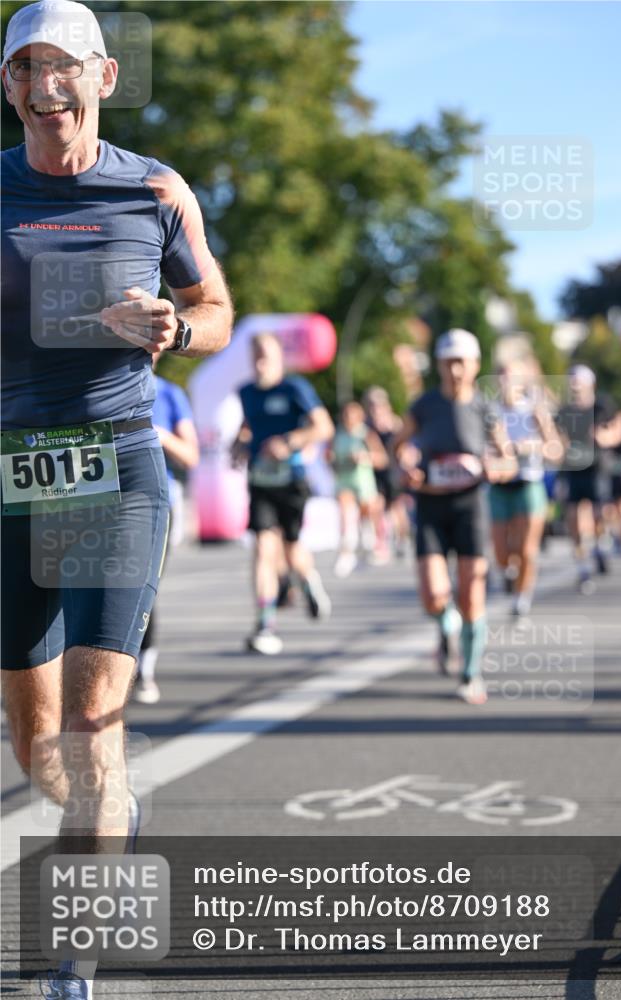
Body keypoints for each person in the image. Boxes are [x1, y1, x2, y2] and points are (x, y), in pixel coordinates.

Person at [0, 2, 232, 996]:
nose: (48, 86)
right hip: (14, 473)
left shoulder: (155, 189)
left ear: (102, 77)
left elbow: (219, 309)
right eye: (28, 69)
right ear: (9, 87)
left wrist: (175, 326)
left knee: (96, 716)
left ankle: (74, 956)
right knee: (35, 737)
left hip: (119, 465)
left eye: (68, 67)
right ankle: (109, 808)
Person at [393, 329, 517, 705]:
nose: (456, 370)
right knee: (433, 595)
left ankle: (470, 673)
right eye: (449, 362)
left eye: (462, 362)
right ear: (439, 365)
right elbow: (397, 446)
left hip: (470, 506)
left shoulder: (484, 408)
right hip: (430, 504)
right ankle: (446, 625)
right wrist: (406, 465)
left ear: (475, 365)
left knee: (471, 591)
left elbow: (509, 458)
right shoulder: (425, 405)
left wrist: (498, 468)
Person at [234, 333, 334, 655]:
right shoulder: (247, 392)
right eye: (256, 355)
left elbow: (323, 427)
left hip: (291, 480)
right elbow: (248, 426)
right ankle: (265, 624)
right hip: (261, 481)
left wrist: (289, 442)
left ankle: (308, 580)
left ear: (279, 358)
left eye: (266, 354)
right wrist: (238, 444)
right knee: (263, 548)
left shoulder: (295, 388)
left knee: (291, 549)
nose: (261, 360)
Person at [133, 368, 200, 704]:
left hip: (157, 502)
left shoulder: (171, 394)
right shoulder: (93, 381)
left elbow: (191, 455)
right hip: (100, 498)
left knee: (142, 584)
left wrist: (156, 435)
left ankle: (144, 666)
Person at [488, 359, 563, 618]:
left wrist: (529, 446)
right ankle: (507, 572)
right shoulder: (490, 410)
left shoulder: (533, 410)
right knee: (500, 552)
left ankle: (522, 599)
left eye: (510, 376)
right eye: (501, 376)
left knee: (526, 550)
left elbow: (556, 449)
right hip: (499, 485)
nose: (505, 381)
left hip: (529, 482)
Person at [556, 366, 621, 592]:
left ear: (589, 385)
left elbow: (617, 430)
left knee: (598, 515)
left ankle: (601, 545)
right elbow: (557, 438)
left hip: (597, 469)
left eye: (579, 383)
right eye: (572, 383)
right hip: (573, 470)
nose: (575, 387)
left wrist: (603, 437)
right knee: (574, 519)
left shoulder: (601, 406)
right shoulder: (564, 411)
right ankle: (582, 567)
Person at [330, 400, 387, 578]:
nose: (349, 419)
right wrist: (332, 460)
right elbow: (330, 458)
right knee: (345, 511)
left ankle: (369, 544)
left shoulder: (366, 434)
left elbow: (382, 459)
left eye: (352, 415)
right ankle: (347, 549)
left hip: (363, 480)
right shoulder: (338, 435)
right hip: (344, 479)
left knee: (367, 513)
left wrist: (365, 457)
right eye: (346, 415)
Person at [363, 385, 412, 560]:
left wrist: (405, 462)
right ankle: (381, 542)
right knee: (377, 506)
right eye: (372, 405)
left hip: (393, 470)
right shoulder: (367, 426)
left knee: (397, 507)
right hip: (375, 471)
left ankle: (402, 538)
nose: (375, 408)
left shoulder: (395, 423)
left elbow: (404, 446)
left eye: (378, 404)